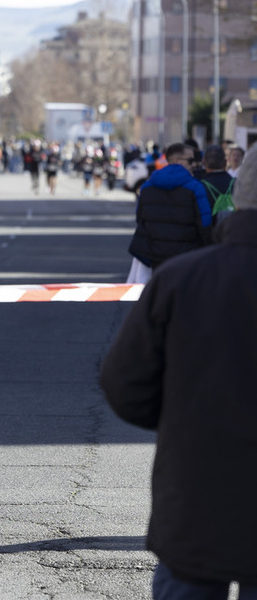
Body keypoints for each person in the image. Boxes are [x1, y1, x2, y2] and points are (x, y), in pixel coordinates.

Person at [100, 152, 257, 600]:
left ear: (237, 199)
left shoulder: (179, 280)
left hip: (195, 503)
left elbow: (124, 384)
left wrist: (183, 418)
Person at [126, 142, 212, 283]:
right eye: (191, 160)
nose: (194, 164)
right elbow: (205, 223)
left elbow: (140, 218)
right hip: (187, 254)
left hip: (155, 253)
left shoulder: (147, 187)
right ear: (177, 161)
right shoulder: (196, 187)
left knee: (161, 296)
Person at [200, 145, 235, 224]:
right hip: (233, 232)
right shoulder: (238, 184)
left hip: (209, 232)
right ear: (225, 162)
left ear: (203, 163)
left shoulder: (199, 186)